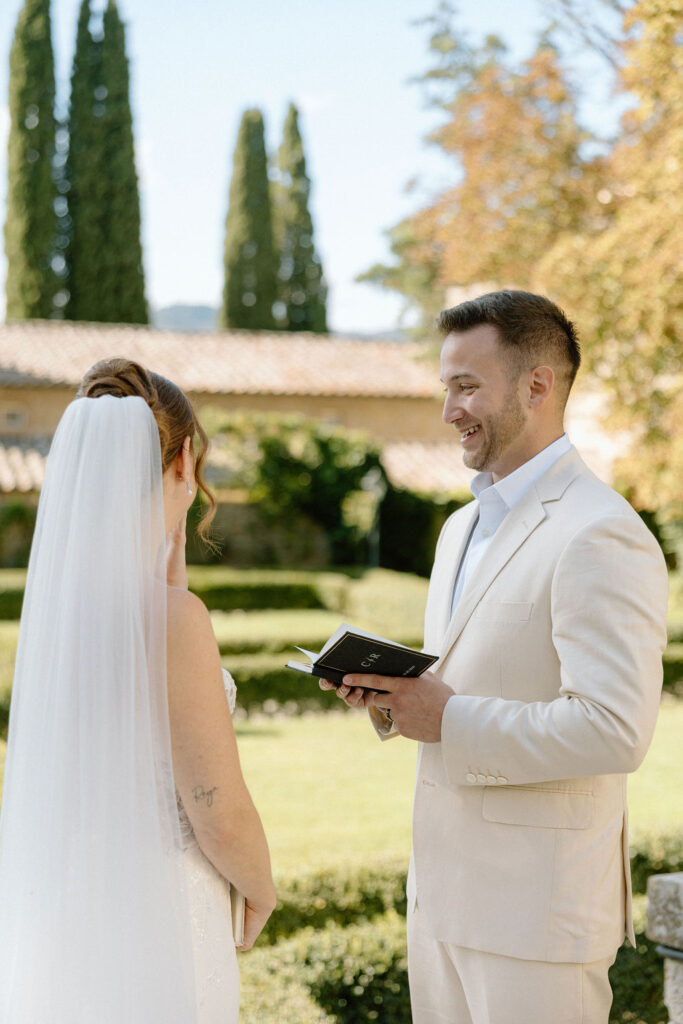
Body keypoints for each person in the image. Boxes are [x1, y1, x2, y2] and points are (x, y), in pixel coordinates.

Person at [322, 290, 669, 1024]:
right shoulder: (456, 530)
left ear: (536, 385)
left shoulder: (599, 532)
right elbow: (460, 685)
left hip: (536, 918)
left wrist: (448, 719)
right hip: (439, 902)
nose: (448, 411)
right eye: (446, 388)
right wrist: (391, 699)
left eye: (466, 386)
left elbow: (613, 728)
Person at [0, 358, 275, 1024]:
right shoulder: (174, 621)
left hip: (68, 900)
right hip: (163, 905)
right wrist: (261, 887)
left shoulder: (60, 615)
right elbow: (217, 809)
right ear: (183, 463)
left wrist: (164, 561)